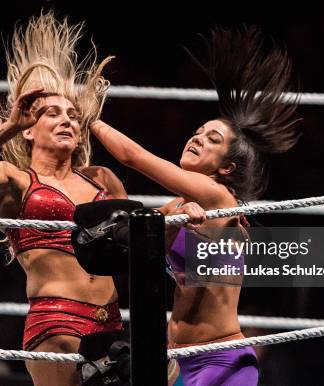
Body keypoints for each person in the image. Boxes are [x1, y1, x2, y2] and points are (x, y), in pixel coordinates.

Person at [90, 26, 300, 385]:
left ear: (226, 167)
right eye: (198, 132)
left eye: (212, 139)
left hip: (222, 359)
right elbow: (139, 244)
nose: (197, 138)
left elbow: (133, 156)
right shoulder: (178, 205)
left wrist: (88, 117)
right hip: (178, 358)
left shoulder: (220, 199)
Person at [0, 11, 127, 386]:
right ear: (30, 129)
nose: (67, 121)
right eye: (52, 113)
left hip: (110, 318)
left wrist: (183, 210)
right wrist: (10, 126)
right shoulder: (15, 180)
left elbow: (145, 237)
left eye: (73, 115)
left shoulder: (102, 179)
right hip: (55, 320)